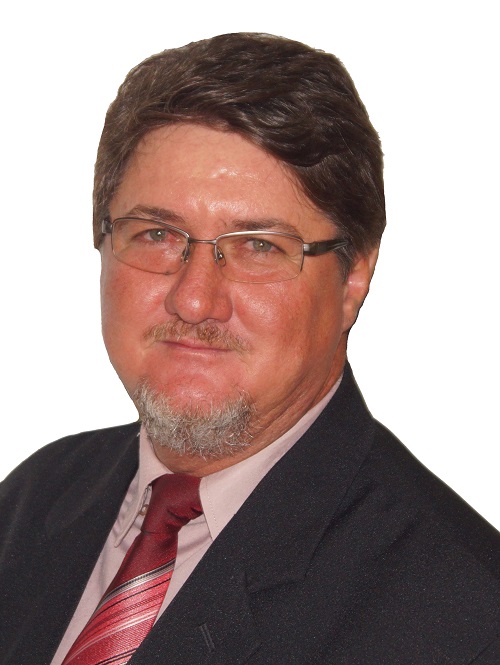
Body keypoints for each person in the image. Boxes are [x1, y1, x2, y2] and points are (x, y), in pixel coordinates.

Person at [0, 32, 498, 665]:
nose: (194, 299)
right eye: (157, 234)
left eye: (259, 246)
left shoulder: (466, 619)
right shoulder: (32, 501)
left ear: (353, 278)